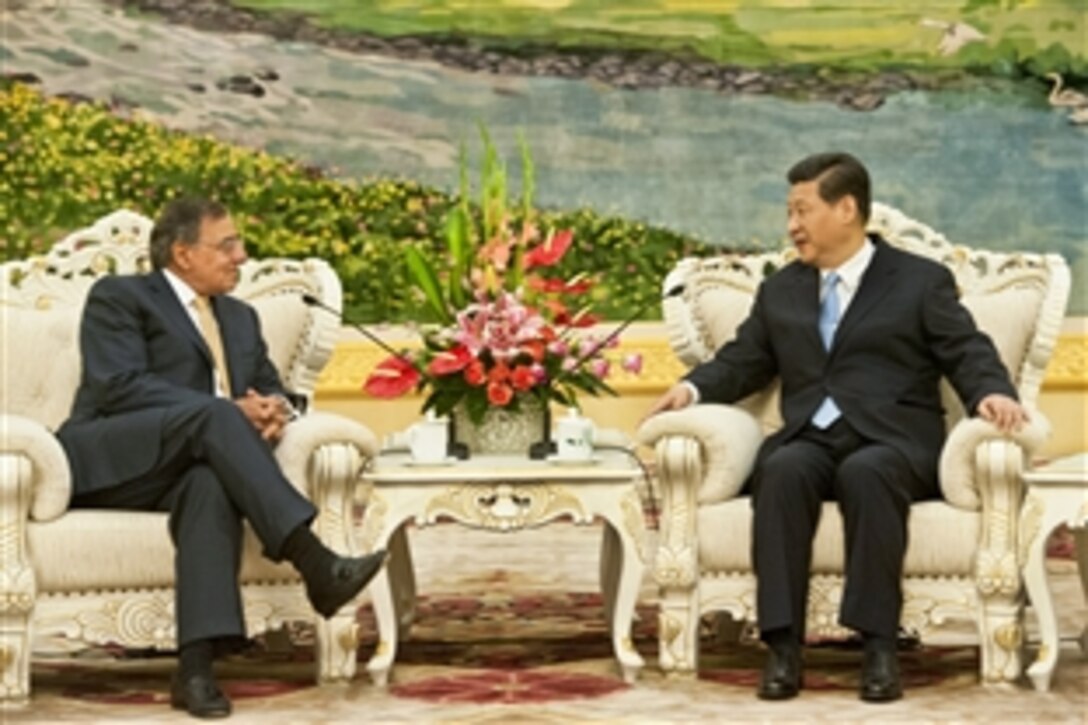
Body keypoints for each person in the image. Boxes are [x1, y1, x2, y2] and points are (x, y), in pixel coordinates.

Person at [643, 153, 1026, 703]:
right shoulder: (782, 290)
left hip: (893, 439)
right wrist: (692, 389)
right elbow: (744, 359)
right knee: (780, 468)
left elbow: (966, 349)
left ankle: (879, 648)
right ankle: (782, 647)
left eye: (802, 210)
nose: (791, 225)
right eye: (789, 211)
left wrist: (991, 392)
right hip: (810, 436)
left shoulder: (919, 281)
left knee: (869, 473)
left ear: (847, 209)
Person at [56, 196, 387, 719]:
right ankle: (313, 559)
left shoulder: (240, 317)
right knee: (216, 418)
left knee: (210, 484)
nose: (242, 254)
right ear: (183, 254)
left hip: (191, 465)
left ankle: (194, 672)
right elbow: (117, 385)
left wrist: (274, 411)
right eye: (228, 244)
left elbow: (275, 390)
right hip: (115, 460)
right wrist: (227, 412)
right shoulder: (119, 297)